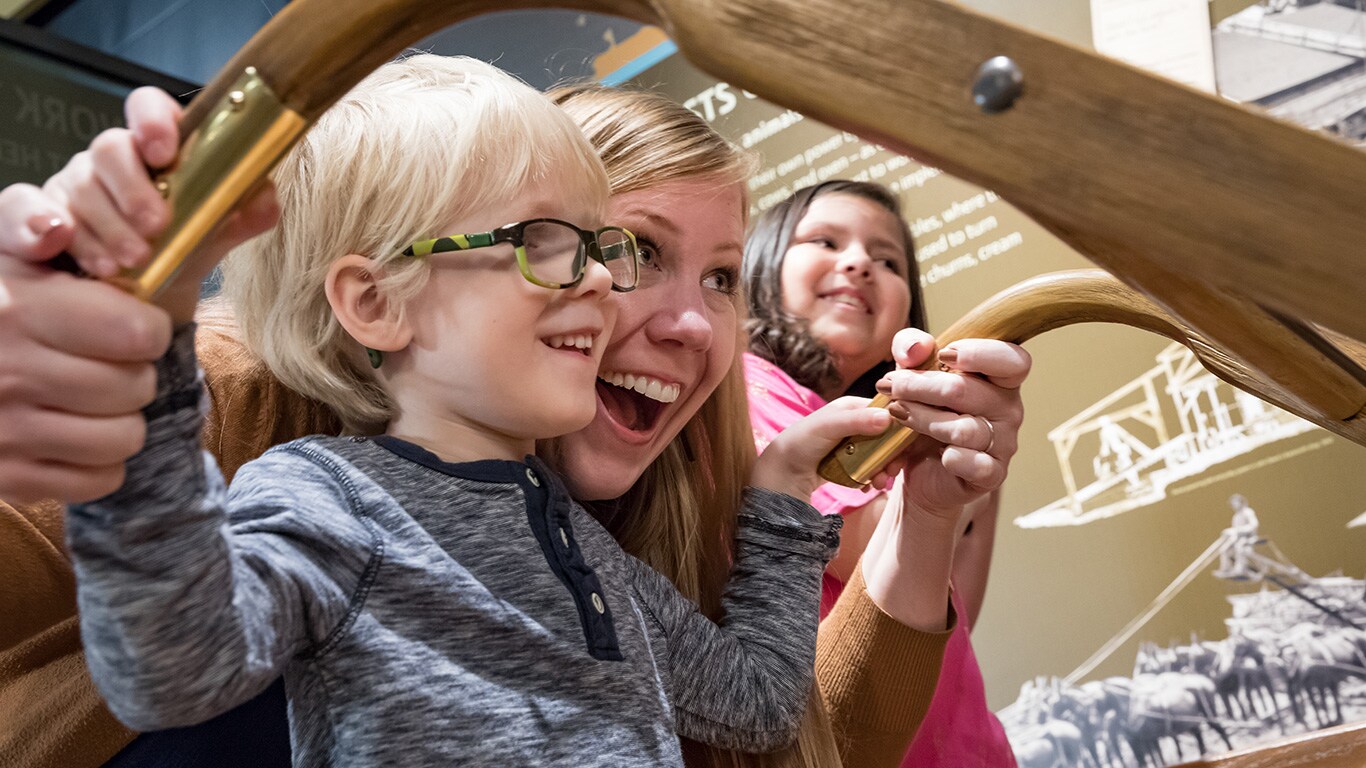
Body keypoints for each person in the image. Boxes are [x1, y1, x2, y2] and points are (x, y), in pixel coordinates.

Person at [0, 78, 1032, 768]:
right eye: (577, 244)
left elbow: (765, 707)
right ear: (373, 300)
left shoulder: (577, 543)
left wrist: (781, 509)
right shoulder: (314, 488)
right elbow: (171, 660)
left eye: (720, 276)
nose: (606, 289)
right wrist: (133, 363)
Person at [742, 180, 1020, 766]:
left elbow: (948, 612)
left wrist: (979, 475)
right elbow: (857, 547)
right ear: (762, 267)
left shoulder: (898, 435)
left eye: (887, 260)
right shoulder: (743, 385)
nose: (859, 263)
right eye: (824, 240)